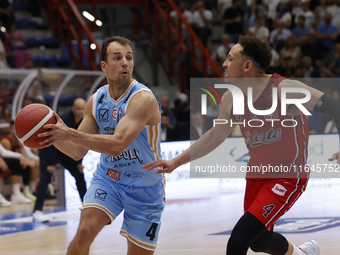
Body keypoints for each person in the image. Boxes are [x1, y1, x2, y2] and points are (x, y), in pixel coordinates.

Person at [141, 36, 340, 255]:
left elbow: (335, 107)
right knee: (259, 241)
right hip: (256, 176)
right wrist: (176, 162)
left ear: (247, 66)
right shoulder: (230, 99)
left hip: (288, 176)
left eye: (230, 58)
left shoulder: (285, 89)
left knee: (238, 241)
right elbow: (215, 136)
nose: (224, 63)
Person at [38, 36, 164, 255]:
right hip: (109, 179)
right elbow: (77, 151)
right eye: (118, 58)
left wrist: (69, 132)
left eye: (129, 57)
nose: (125, 62)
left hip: (146, 187)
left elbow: (117, 145)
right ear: (104, 66)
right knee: (84, 232)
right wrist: (52, 137)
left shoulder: (143, 98)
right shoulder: (96, 100)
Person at [32, 98, 88, 223]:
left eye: (83, 108)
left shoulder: (84, 121)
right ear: (73, 109)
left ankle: (87, 208)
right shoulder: (63, 119)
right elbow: (50, 140)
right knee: (45, 177)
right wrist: (50, 163)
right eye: (79, 108)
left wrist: (79, 162)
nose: (81, 111)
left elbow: (82, 143)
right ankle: (37, 211)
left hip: (66, 152)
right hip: (50, 150)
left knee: (79, 176)